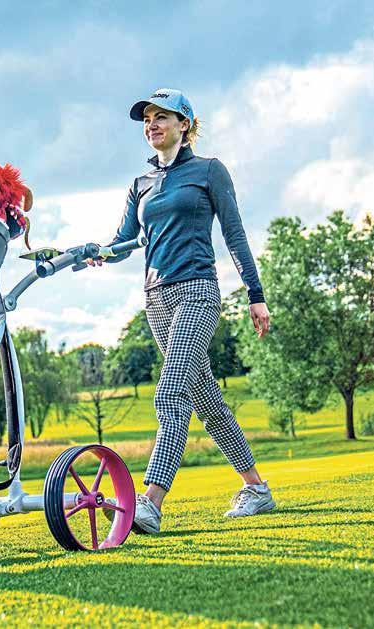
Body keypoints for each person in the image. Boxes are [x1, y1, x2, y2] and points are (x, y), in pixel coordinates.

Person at [95, 88, 275, 535]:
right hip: (155, 299)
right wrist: (96, 251)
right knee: (207, 400)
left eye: (161, 117)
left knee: (170, 391)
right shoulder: (140, 184)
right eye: (147, 119)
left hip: (197, 291)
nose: (151, 125)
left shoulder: (209, 171)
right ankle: (256, 488)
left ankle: (150, 502)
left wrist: (255, 293)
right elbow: (123, 241)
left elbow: (234, 233)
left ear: (185, 124)